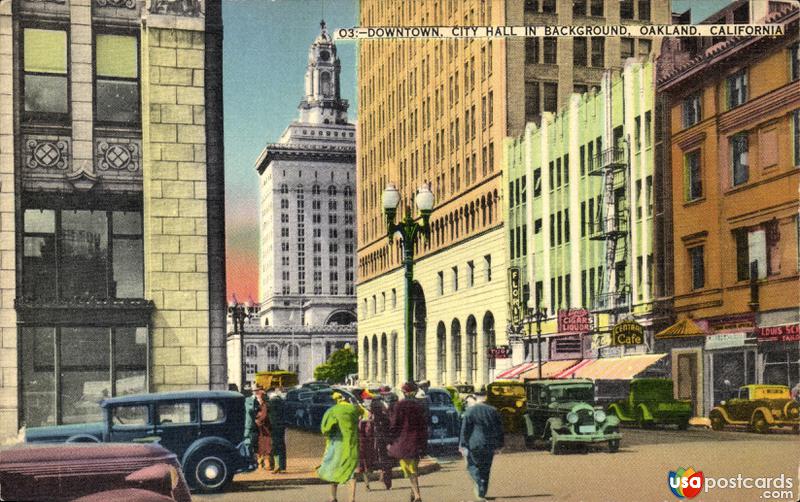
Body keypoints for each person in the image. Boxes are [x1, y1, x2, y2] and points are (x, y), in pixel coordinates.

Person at [459, 395, 504, 501]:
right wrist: (500, 444)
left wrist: (463, 444)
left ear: (475, 398)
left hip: (474, 443)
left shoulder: (470, 411)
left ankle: (479, 484)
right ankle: (482, 491)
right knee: (486, 468)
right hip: (489, 443)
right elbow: (499, 428)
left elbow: (465, 429)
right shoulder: (493, 410)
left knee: (473, 465)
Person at [317, 391, 361, 502]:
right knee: (351, 472)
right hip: (352, 444)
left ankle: (333, 497)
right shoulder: (354, 410)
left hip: (337, 446)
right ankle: (351, 499)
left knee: (334, 470)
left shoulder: (332, 411)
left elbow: (325, 429)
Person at [388, 382, 428, 502]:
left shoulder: (399, 406)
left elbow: (394, 425)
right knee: (414, 468)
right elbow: (424, 425)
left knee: (410, 470)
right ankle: (413, 493)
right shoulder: (420, 405)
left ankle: (417, 495)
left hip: (403, 441)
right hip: (417, 441)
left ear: (404, 392)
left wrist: (390, 440)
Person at [372, 386, 398, 490]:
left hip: (390, 435)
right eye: (384, 394)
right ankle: (386, 479)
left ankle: (386, 477)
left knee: (388, 457)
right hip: (382, 434)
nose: (386, 395)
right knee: (384, 457)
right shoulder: (376, 404)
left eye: (387, 393)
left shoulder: (394, 404)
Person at [243, 384, 272, 470]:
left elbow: (266, 412)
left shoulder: (266, 400)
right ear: (252, 391)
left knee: (265, 444)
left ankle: (267, 463)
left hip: (264, 426)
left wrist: (262, 401)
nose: (257, 392)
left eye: (258, 390)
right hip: (252, 426)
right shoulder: (248, 400)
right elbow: (248, 411)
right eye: (255, 391)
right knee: (254, 444)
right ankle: (258, 463)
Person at [356, 390, 376, 490]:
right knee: (364, 461)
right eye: (368, 399)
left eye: (370, 399)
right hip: (362, 439)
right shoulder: (360, 409)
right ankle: (367, 483)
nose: (369, 401)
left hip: (370, 440)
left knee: (368, 461)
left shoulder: (373, 410)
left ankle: (367, 482)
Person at [268, 387, 288, 473]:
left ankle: (277, 466)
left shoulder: (273, 401)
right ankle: (282, 467)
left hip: (274, 426)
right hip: (281, 425)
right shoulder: (281, 400)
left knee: (275, 445)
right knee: (281, 445)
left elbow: (270, 415)